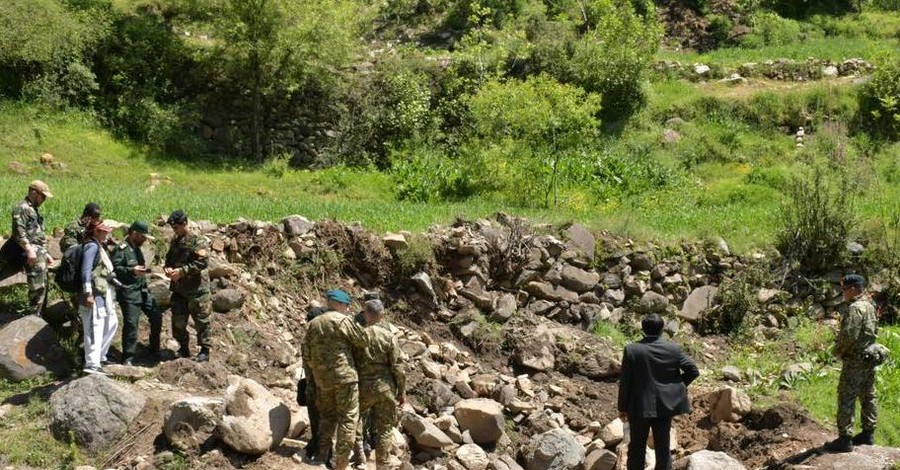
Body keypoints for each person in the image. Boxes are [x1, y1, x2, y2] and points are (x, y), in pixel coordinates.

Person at [618, 314, 699, 470]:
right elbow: (693, 370)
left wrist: (622, 407)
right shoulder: (673, 348)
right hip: (665, 406)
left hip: (639, 406)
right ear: (662, 330)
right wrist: (677, 387)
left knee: (636, 447)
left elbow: (625, 382)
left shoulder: (632, 350)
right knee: (663, 448)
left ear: (642, 330)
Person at [303, 289, 365, 470]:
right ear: (339, 304)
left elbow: (306, 354)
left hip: (322, 380)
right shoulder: (344, 321)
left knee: (327, 417)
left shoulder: (313, 324)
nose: (347, 309)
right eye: (346, 305)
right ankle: (341, 463)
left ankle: (321, 457)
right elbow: (362, 342)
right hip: (345, 378)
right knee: (348, 419)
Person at [825, 274, 878, 452]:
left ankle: (845, 439)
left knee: (846, 397)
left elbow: (849, 335)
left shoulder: (856, 308)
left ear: (854, 288)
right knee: (868, 395)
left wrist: (838, 351)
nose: (843, 293)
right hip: (868, 358)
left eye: (845, 289)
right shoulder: (870, 306)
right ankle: (868, 434)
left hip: (855, 360)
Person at [354, 299, 405, 470]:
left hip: (363, 387)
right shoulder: (389, 337)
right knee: (384, 428)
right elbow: (397, 367)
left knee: (357, 420)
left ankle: (360, 456)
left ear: (366, 313)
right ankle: (382, 465)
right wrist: (401, 391)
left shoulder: (359, 335)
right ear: (382, 315)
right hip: (385, 387)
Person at [0, 180, 55, 315]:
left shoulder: (34, 210)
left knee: (41, 284)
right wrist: (29, 250)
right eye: (42, 196)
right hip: (18, 251)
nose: (44, 199)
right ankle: (34, 316)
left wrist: (45, 252)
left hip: (33, 252)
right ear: (34, 192)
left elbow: (37, 233)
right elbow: (19, 231)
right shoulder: (22, 207)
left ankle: (37, 314)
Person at [164, 210, 212, 362]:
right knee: (178, 321)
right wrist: (168, 268)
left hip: (197, 289)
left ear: (185, 223)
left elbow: (202, 262)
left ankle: (204, 350)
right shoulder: (175, 240)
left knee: (202, 321)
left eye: (176, 227)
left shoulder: (197, 240)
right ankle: (183, 347)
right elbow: (169, 259)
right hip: (179, 289)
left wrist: (182, 271)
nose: (175, 230)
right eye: (173, 228)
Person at [112, 221, 161, 366]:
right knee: (131, 324)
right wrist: (131, 271)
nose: (145, 240)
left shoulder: (137, 248)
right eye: (143, 236)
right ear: (134, 234)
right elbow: (114, 269)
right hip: (129, 293)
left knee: (157, 317)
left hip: (143, 291)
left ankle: (154, 351)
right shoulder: (121, 249)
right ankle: (128, 357)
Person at [80, 222, 119, 374]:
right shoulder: (91, 247)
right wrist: (88, 293)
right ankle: (91, 363)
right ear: (96, 231)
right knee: (93, 328)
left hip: (102, 294)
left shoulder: (100, 247)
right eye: (103, 232)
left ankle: (99, 357)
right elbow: (86, 271)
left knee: (111, 323)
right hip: (93, 295)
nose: (106, 234)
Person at [301, 305, 329, 462]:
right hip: (329, 387)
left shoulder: (308, 340)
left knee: (316, 418)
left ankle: (318, 446)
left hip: (313, 387)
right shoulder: (331, 339)